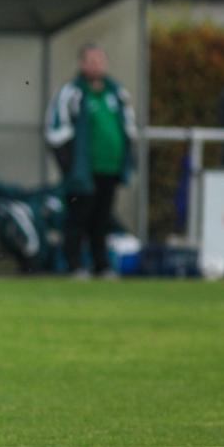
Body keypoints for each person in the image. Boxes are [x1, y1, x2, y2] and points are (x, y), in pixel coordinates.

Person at [45, 43, 136, 277]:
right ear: (82, 63)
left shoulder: (116, 92)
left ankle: (101, 264)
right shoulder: (72, 93)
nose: (96, 65)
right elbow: (56, 132)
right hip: (83, 171)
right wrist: (70, 167)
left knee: (102, 219)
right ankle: (73, 264)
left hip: (110, 167)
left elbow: (128, 128)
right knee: (78, 218)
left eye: (100, 60)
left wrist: (127, 161)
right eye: (91, 60)